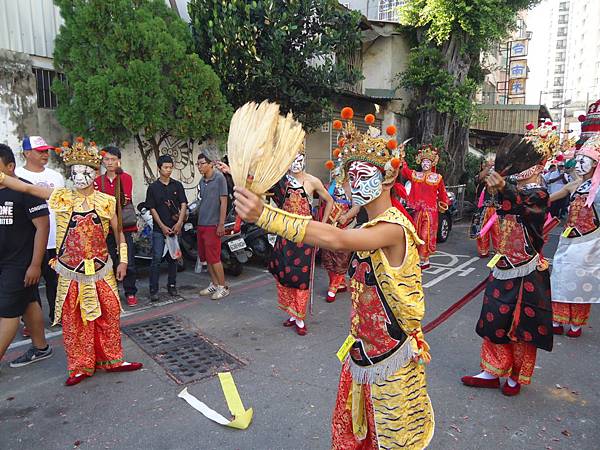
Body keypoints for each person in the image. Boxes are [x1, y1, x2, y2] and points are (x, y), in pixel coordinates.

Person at [235, 109, 434, 448]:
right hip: (361, 353)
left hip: (393, 362)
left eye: (363, 175)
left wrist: (265, 216)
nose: (355, 184)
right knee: (353, 437)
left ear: (387, 178)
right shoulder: (368, 223)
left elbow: (336, 239)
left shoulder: (393, 229)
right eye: (350, 177)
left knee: (395, 441)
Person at [0, 138, 142, 385]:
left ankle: (113, 359)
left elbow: (119, 233)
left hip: (102, 268)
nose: (79, 176)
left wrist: (123, 261)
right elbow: (27, 189)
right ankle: (80, 365)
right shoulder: (62, 196)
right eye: (74, 172)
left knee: (109, 313)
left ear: (94, 174)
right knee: (74, 319)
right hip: (70, 270)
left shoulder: (107, 201)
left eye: (84, 171)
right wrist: (3, 179)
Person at [461, 125, 557, 396]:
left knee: (521, 327)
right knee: (494, 319)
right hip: (503, 266)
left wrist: (504, 186)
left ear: (538, 166)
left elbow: (526, 206)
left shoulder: (538, 193)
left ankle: (516, 375)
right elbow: (503, 198)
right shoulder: (511, 188)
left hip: (527, 270)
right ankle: (491, 370)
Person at [267, 148, 333, 335]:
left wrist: (322, 225)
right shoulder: (282, 181)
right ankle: (292, 312)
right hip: (285, 232)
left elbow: (329, 201)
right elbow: (258, 185)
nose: (295, 163)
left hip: (305, 234)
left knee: (301, 277)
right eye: (292, 159)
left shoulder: (313, 181)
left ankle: (300, 317)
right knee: (284, 273)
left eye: (299, 159)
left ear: (304, 159)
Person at [0, 144, 53, 368]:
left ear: (10, 167)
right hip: (3, 261)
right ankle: (41, 347)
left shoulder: (25, 191)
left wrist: (34, 265)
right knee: (28, 301)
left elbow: (43, 227)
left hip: (21, 263)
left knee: (8, 311)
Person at [549, 133, 600, 337]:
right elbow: (550, 199)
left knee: (581, 282)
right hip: (567, 239)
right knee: (559, 277)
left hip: (590, 242)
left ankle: (576, 325)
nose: (578, 165)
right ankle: (557, 320)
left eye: (584, 161)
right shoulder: (574, 185)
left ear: (595, 164)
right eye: (578, 160)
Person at [15, 136, 64, 322]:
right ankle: (30, 322)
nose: (45, 154)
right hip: (29, 241)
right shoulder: (17, 176)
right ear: (27, 153)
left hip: (55, 239)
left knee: (56, 282)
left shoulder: (56, 176)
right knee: (30, 285)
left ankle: (57, 315)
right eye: (40, 151)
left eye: (46, 151)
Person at [94, 146, 138, 307]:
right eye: (107, 159)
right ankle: (113, 292)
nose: (110, 162)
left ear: (119, 160)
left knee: (129, 261)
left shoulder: (126, 178)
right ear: (103, 161)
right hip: (105, 230)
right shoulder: (97, 181)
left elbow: (124, 199)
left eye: (113, 159)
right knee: (109, 261)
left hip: (124, 227)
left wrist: (108, 202)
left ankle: (130, 291)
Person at [145, 155, 187, 302]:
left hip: (175, 228)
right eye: (165, 167)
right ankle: (153, 290)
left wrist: (180, 222)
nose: (168, 170)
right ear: (159, 168)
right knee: (156, 258)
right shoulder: (153, 188)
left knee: (173, 258)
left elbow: (183, 204)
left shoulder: (177, 185)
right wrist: (162, 226)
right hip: (159, 229)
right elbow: (152, 209)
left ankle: (172, 285)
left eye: (170, 167)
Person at [402, 144, 449, 268]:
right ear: (420, 163)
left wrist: (444, 203)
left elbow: (443, 193)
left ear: (432, 163)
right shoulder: (416, 175)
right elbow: (405, 171)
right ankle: (416, 256)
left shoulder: (437, 178)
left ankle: (425, 258)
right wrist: (401, 157)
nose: (425, 164)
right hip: (418, 210)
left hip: (430, 211)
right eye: (423, 161)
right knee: (416, 233)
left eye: (428, 161)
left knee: (425, 234)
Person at [321, 166, 359, 303]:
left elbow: (357, 206)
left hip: (345, 224)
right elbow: (327, 203)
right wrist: (323, 222)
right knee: (327, 254)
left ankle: (333, 287)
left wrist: (346, 216)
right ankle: (339, 283)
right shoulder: (332, 185)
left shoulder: (354, 186)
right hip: (331, 223)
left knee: (341, 256)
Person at [196, 153, 230, 300]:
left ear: (210, 164)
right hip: (201, 223)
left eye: (202, 163)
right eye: (198, 164)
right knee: (206, 258)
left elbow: (224, 202)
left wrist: (221, 224)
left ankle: (223, 287)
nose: (199, 166)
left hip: (213, 224)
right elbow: (199, 202)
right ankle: (215, 284)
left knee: (215, 258)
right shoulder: (202, 182)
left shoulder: (219, 179)